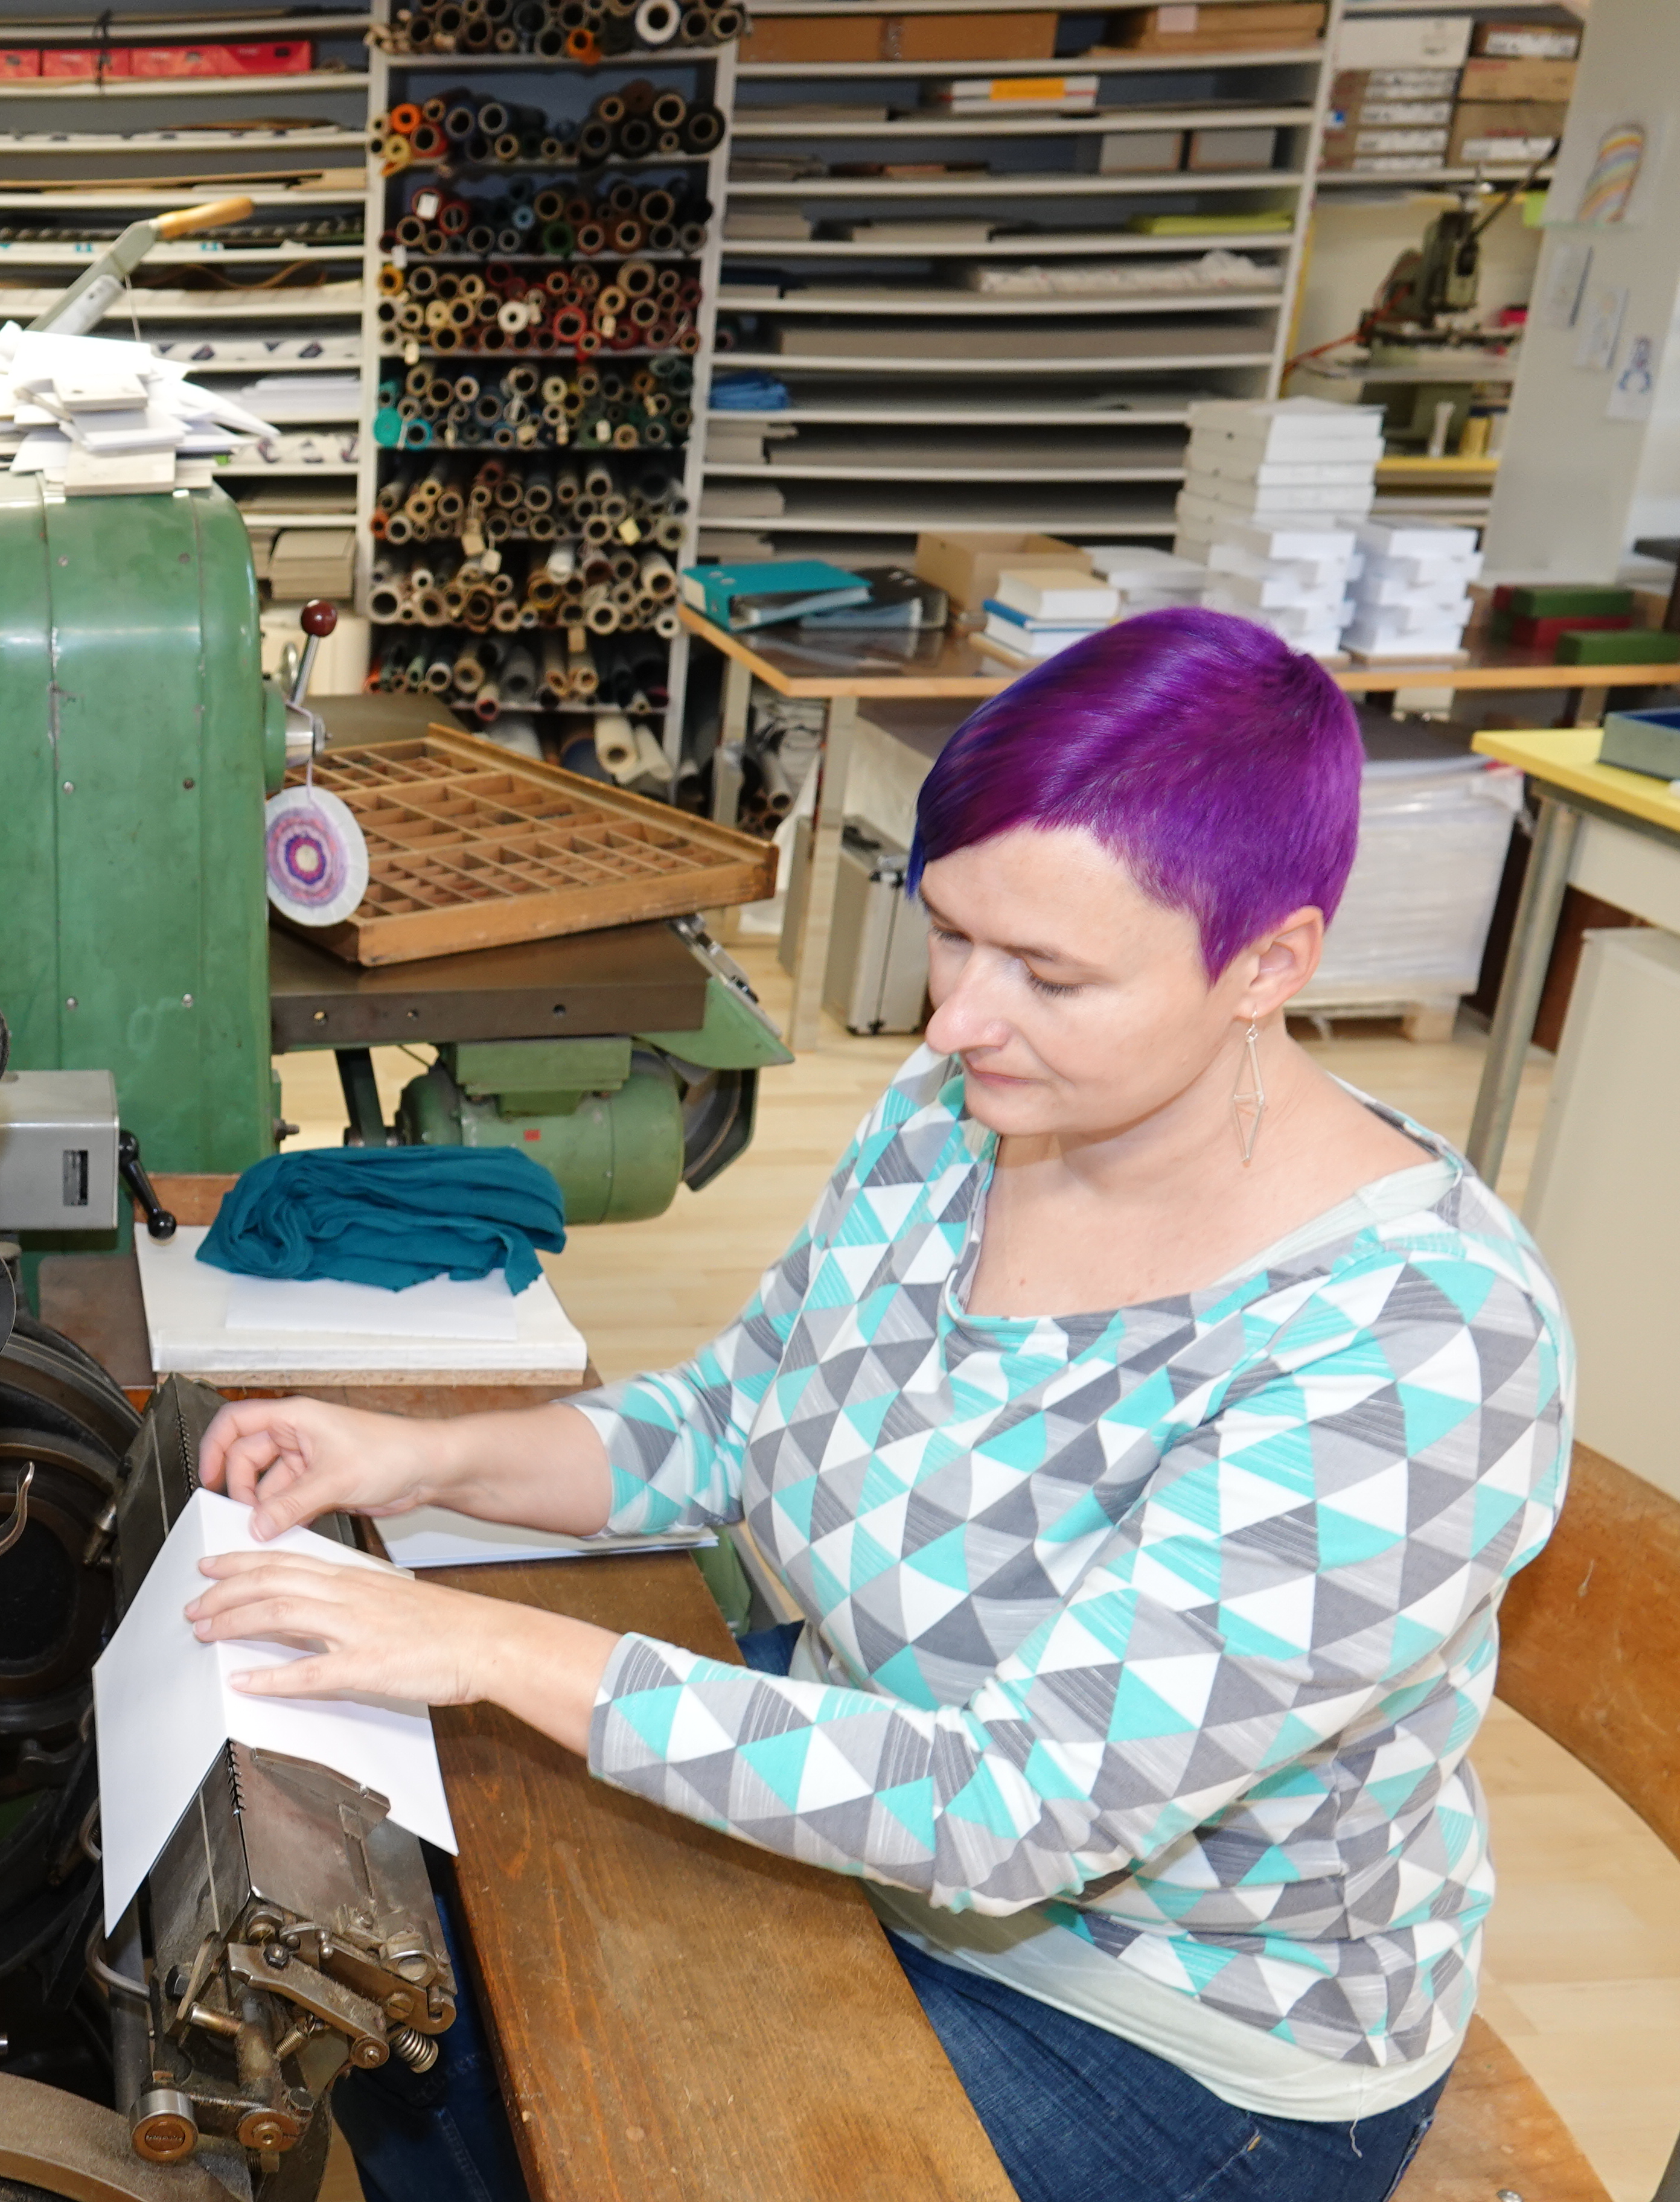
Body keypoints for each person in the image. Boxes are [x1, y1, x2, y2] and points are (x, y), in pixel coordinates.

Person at [187, 607, 1573, 2202]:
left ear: (1269, 962)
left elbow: (1013, 1808)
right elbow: (734, 1426)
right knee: (403, 1993)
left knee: (578, 2108)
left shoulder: (1416, 1347)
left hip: (1161, 2024)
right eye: (955, 932)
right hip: (876, 1788)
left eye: (1049, 972)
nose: (956, 1019)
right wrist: (430, 1456)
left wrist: (494, 1646)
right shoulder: (966, 1110)